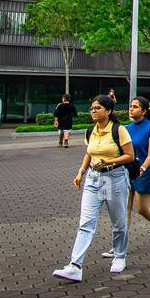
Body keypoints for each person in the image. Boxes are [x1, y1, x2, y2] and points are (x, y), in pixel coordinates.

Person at [53, 94, 134, 281]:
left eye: (97, 108)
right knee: (86, 223)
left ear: (108, 110)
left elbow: (130, 155)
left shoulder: (118, 130)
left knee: (119, 222)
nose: (93, 111)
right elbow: (89, 153)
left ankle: (120, 256)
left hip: (114, 178)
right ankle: (75, 266)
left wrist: (109, 162)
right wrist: (81, 172)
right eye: (92, 108)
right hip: (93, 179)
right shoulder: (90, 131)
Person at [104, 96, 150, 254]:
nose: (131, 109)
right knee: (123, 210)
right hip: (127, 171)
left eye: (135, 106)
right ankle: (119, 246)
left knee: (142, 209)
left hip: (144, 173)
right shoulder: (126, 128)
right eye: (130, 106)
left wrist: (143, 168)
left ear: (144, 110)